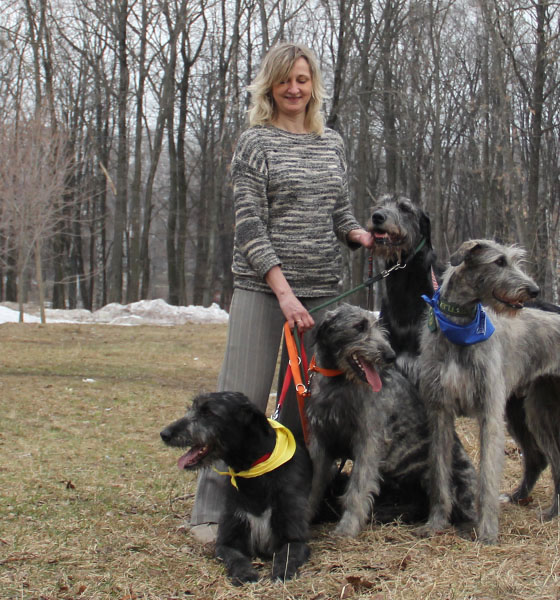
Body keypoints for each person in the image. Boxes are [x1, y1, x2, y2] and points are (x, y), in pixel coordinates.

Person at [189, 42, 374, 543]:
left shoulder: (331, 142)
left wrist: (358, 235)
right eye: (284, 80)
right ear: (269, 86)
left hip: (323, 295)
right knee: (238, 404)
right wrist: (283, 291)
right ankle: (212, 513)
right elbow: (249, 227)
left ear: (313, 85)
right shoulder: (255, 143)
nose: (294, 89)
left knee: (304, 412)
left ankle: (293, 512)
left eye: (303, 80)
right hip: (263, 291)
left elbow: (338, 210)